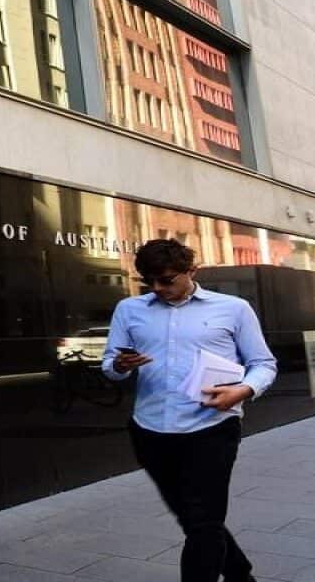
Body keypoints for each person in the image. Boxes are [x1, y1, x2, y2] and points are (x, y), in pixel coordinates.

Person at [103, 239, 277, 582]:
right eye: (149, 281)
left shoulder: (234, 308)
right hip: (150, 430)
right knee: (193, 518)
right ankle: (240, 575)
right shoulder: (129, 309)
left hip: (212, 428)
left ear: (191, 271)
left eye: (166, 279)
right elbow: (110, 365)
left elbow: (263, 364)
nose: (157, 288)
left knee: (204, 522)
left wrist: (243, 390)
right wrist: (120, 366)